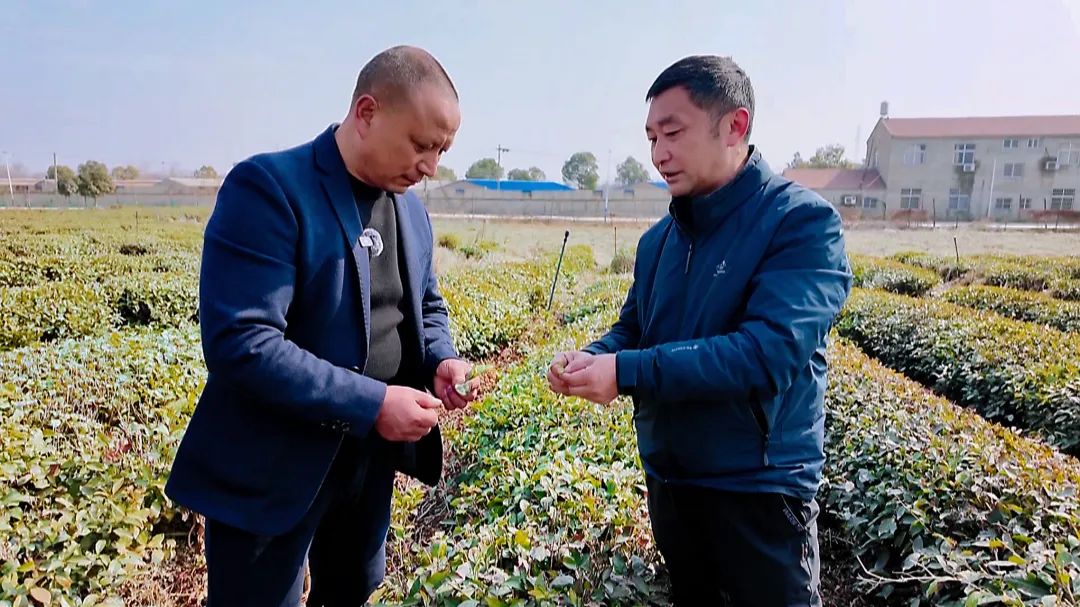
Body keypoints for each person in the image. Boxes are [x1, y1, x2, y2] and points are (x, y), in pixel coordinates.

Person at [165, 45, 478, 606]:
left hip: (364, 466)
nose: (430, 166)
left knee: (351, 589)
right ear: (366, 113)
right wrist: (373, 403)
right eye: (420, 144)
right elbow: (244, 343)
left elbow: (426, 304)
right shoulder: (270, 188)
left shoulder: (410, 209)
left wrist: (440, 358)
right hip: (271, 467)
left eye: (441, 149)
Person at [547, 55, 852, 606]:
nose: (658, 153)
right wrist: (593, 356)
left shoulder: (800, 223)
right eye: (651, 137)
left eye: (673, 133)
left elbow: (766, 354)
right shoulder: (658, 241)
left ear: (735, 125)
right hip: (672, 485)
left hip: (757, 492)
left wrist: (626, 371)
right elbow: (634, 329)